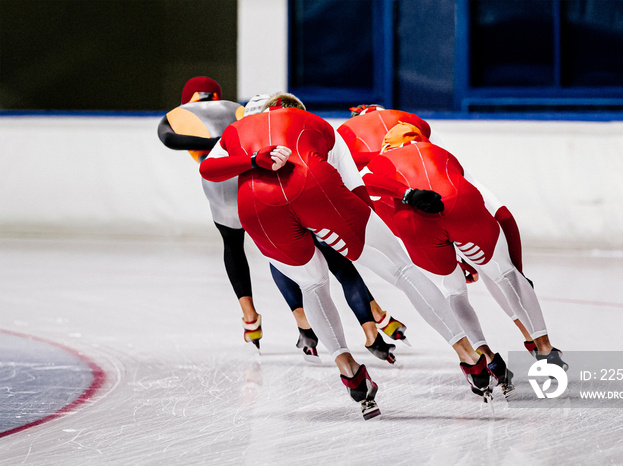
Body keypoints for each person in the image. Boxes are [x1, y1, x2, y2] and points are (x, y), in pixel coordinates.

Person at [199, 93, 512, 419]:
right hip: (316, 188)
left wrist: (251, 161)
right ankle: (468, 355)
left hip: (258, 209)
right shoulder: (317, 124)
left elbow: (208, 169)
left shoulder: (237, 131)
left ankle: (348, 369)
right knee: (402, 271)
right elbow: (357, 189)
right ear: (296, 110)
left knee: (313, 286)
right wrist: (374, 232)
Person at [158, 80, 407, 364]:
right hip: (279, 179)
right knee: (328, 254)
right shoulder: (238, 109)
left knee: (239, 246)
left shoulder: (180, 114)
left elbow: (168, 139)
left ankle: (258, 320)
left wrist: (227, 150)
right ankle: (373, 324)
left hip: (230, 184)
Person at [337, 105, 560, 362]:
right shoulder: (415, 124)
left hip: (400, 210)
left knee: (449, 287)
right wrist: (518, 269)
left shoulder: (345, 136)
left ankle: (481, 355)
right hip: (452, 193)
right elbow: (503, 214)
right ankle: (541, 343)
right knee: (501, 270)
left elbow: (354, 190)